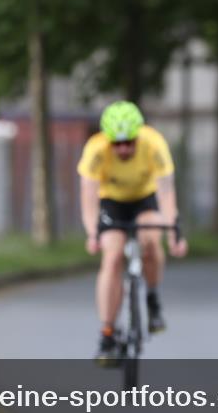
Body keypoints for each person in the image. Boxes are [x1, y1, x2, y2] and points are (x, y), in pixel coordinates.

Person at [78, 101, 188, 365]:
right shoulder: (95, 148)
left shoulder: (154, 143)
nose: (124, 149)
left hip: (144, 199)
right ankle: (107, 334)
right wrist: (92, 233)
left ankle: (152, 298)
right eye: (117, 144)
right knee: (112, 256)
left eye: (129, 142)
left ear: (139, 135)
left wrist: (174, 232)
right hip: (111, 202)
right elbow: (88, 197)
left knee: (150, 240)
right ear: (107, 139)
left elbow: (166, 193)